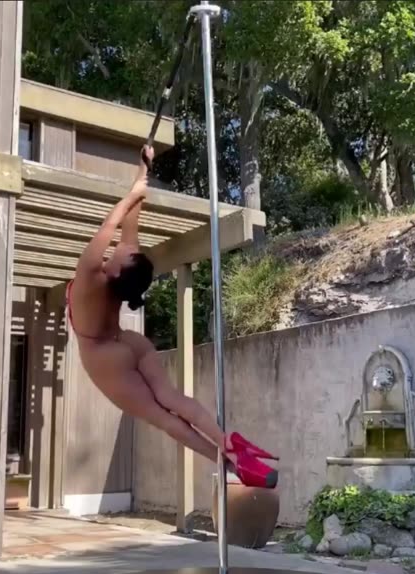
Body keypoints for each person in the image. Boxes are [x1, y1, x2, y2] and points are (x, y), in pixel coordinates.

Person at [66, 145, 278, 488]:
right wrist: (141, 177)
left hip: (103, 355)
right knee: (172, 399)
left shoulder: (91, 275)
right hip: (130, 343)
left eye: (126, 251)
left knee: (162, 416)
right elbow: (129, 224)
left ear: (118, 269)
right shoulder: (120, 274)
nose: (126, 246)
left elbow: (114, 223)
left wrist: (136, 185)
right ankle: (230, 443)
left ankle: (232, 464)